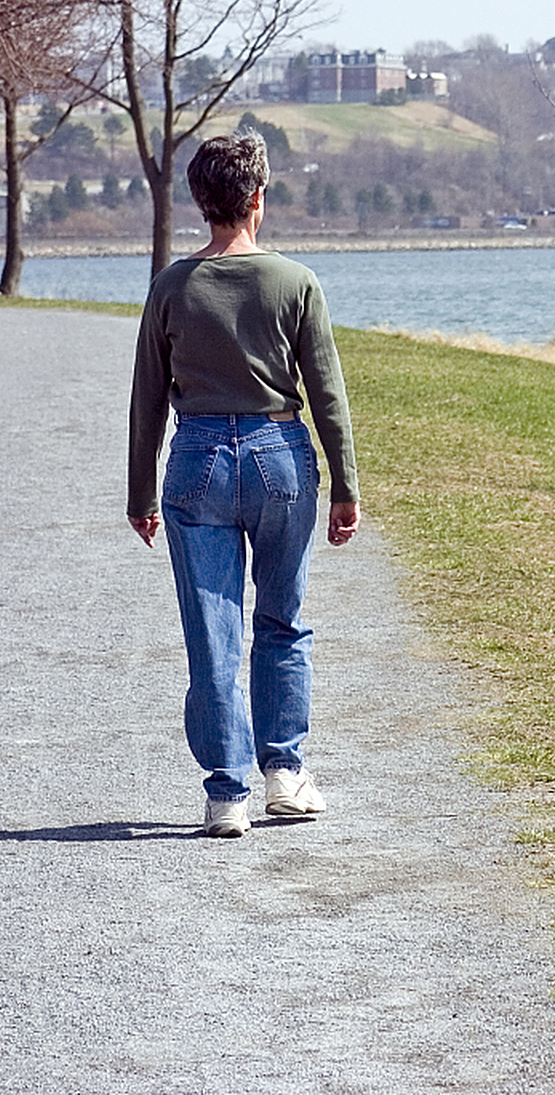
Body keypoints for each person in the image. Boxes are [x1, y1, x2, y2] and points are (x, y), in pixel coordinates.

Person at [127, 132, 359, 839]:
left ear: (201, 202)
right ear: (258, 198)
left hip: (197, 458)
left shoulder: (170, 286)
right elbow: (327, 393)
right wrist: (346, 485)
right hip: (279, 456)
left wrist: (139, 495)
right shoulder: (294, 282)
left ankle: (226, 793)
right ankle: (284, 774)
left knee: (212, 632)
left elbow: (147, 399)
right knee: (281, 621)